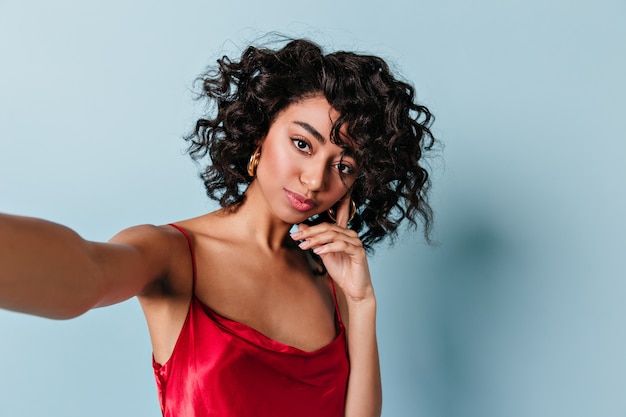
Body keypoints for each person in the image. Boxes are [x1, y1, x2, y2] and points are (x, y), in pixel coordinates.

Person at [0, 38, 435, 417]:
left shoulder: (333, 281)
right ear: (261, 132)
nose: (316, 180)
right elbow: (85, 272)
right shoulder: (169, 254)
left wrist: (361, 303)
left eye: (343, 166)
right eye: (302, 144)